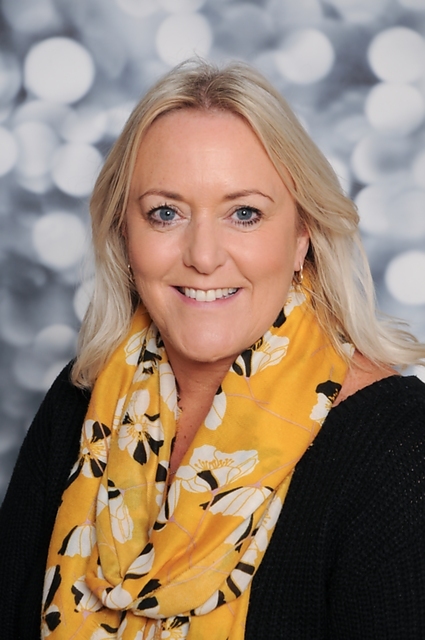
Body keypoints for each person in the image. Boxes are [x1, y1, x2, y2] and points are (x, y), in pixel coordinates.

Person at [1, 58, 425, 640]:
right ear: (125, 233)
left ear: (302, 234)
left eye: (244, 214)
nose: (203, 256)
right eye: (165, 213)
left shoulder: (399, 449)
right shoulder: (82, 397)